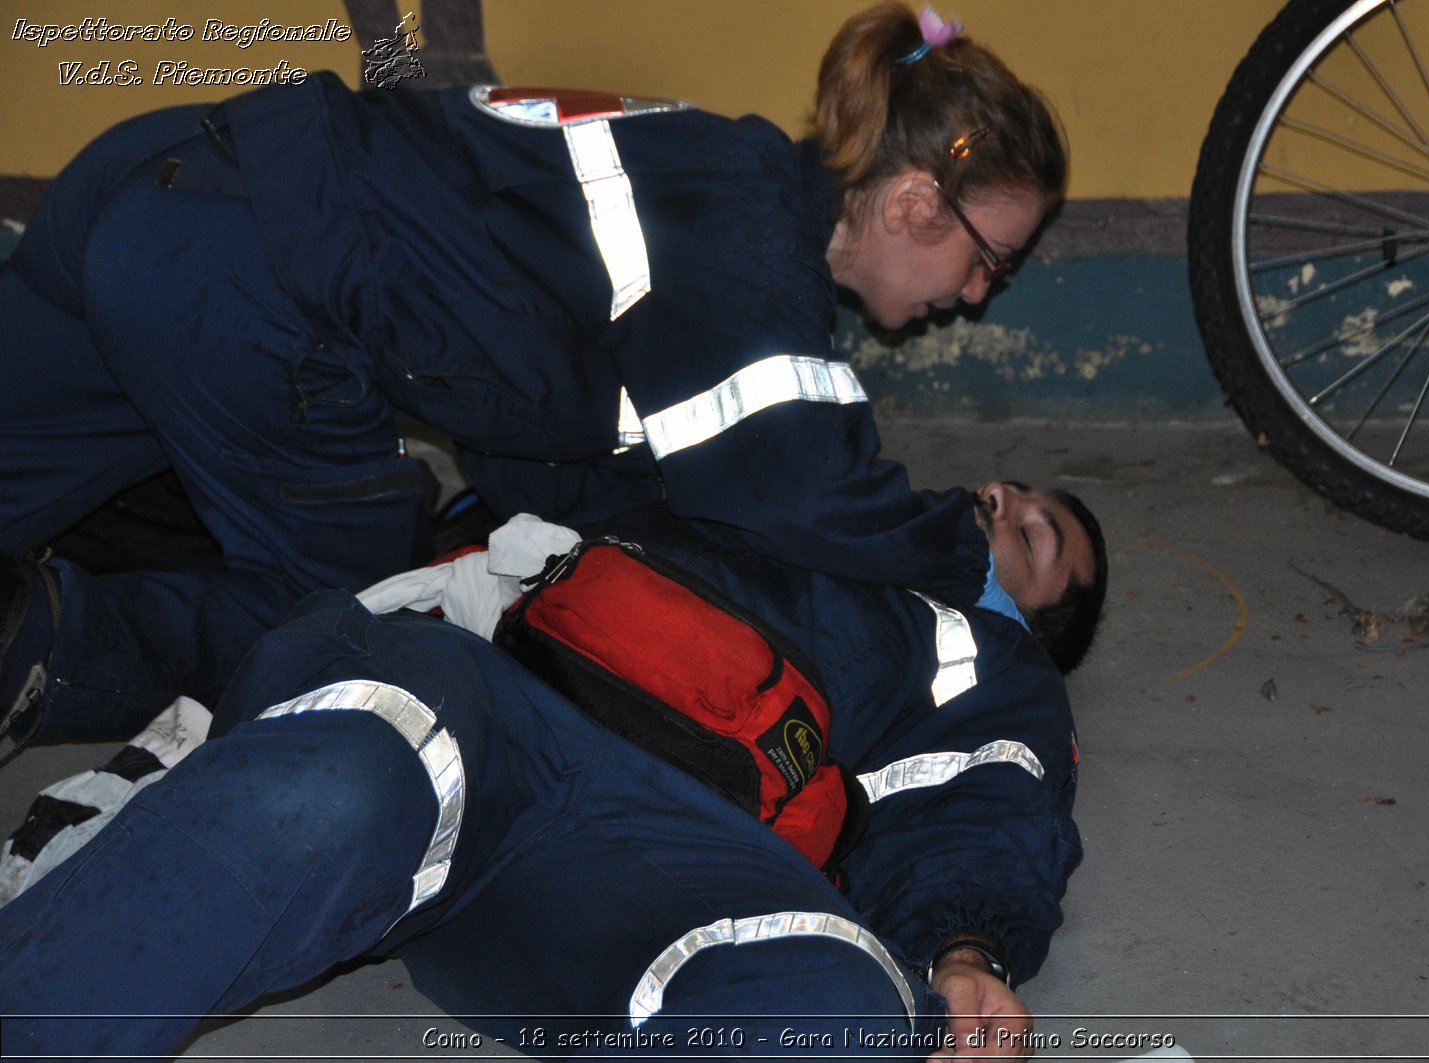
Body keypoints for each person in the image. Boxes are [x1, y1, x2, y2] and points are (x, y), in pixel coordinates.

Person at [0, 2, 1068, 750]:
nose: (976, 293)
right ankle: (35, 642)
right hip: (248, 283)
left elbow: (555, 452)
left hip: (159, 176)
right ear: (915, 203)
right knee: (345, 635)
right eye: (989, 259)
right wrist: (966, 563)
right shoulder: (756, 255)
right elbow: (798, 482)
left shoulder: (711, 182)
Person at [0, 484, 1101, 1061]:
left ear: (1038, 619)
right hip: (476, 690)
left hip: (655, 858)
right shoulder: (798, 486)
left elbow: (983, 796)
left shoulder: (984, 658)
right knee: (326, 790)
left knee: (838, 1015)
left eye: (1038, 534)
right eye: (1011, 491)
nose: (1002, 503)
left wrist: (959, 945)